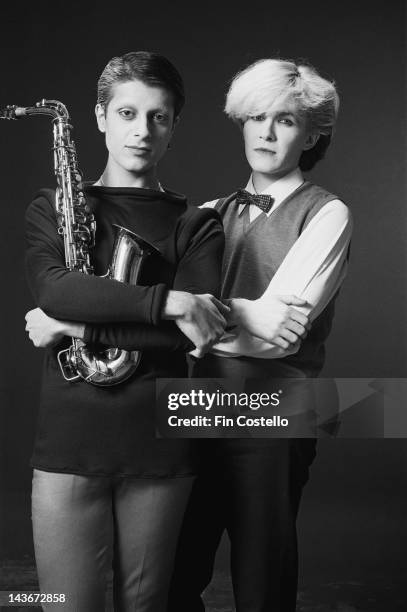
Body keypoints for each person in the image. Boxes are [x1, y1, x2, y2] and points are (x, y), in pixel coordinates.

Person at [23, 51, 228, 612]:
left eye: (158, 117)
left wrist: (70, 326)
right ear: (99, 117)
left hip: (160, 451)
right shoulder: (54, 206)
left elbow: (188, 339)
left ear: (174, 126)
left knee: (146, 606)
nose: (142, 130)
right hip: (68, 448)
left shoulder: (197, 224)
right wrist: (171, 301)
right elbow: (55, 290)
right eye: (127, 113)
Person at [167, 59, 353, 611]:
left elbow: (280, 340)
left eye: (286, 120)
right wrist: (245, 313)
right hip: (195, 408)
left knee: (261, 576)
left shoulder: (328, 214)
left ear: (313, 133)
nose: (266, 133)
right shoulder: (205, 214)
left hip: (275, 412)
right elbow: (170, 322)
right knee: (174, 571)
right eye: (255, 117)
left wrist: (198, 323)